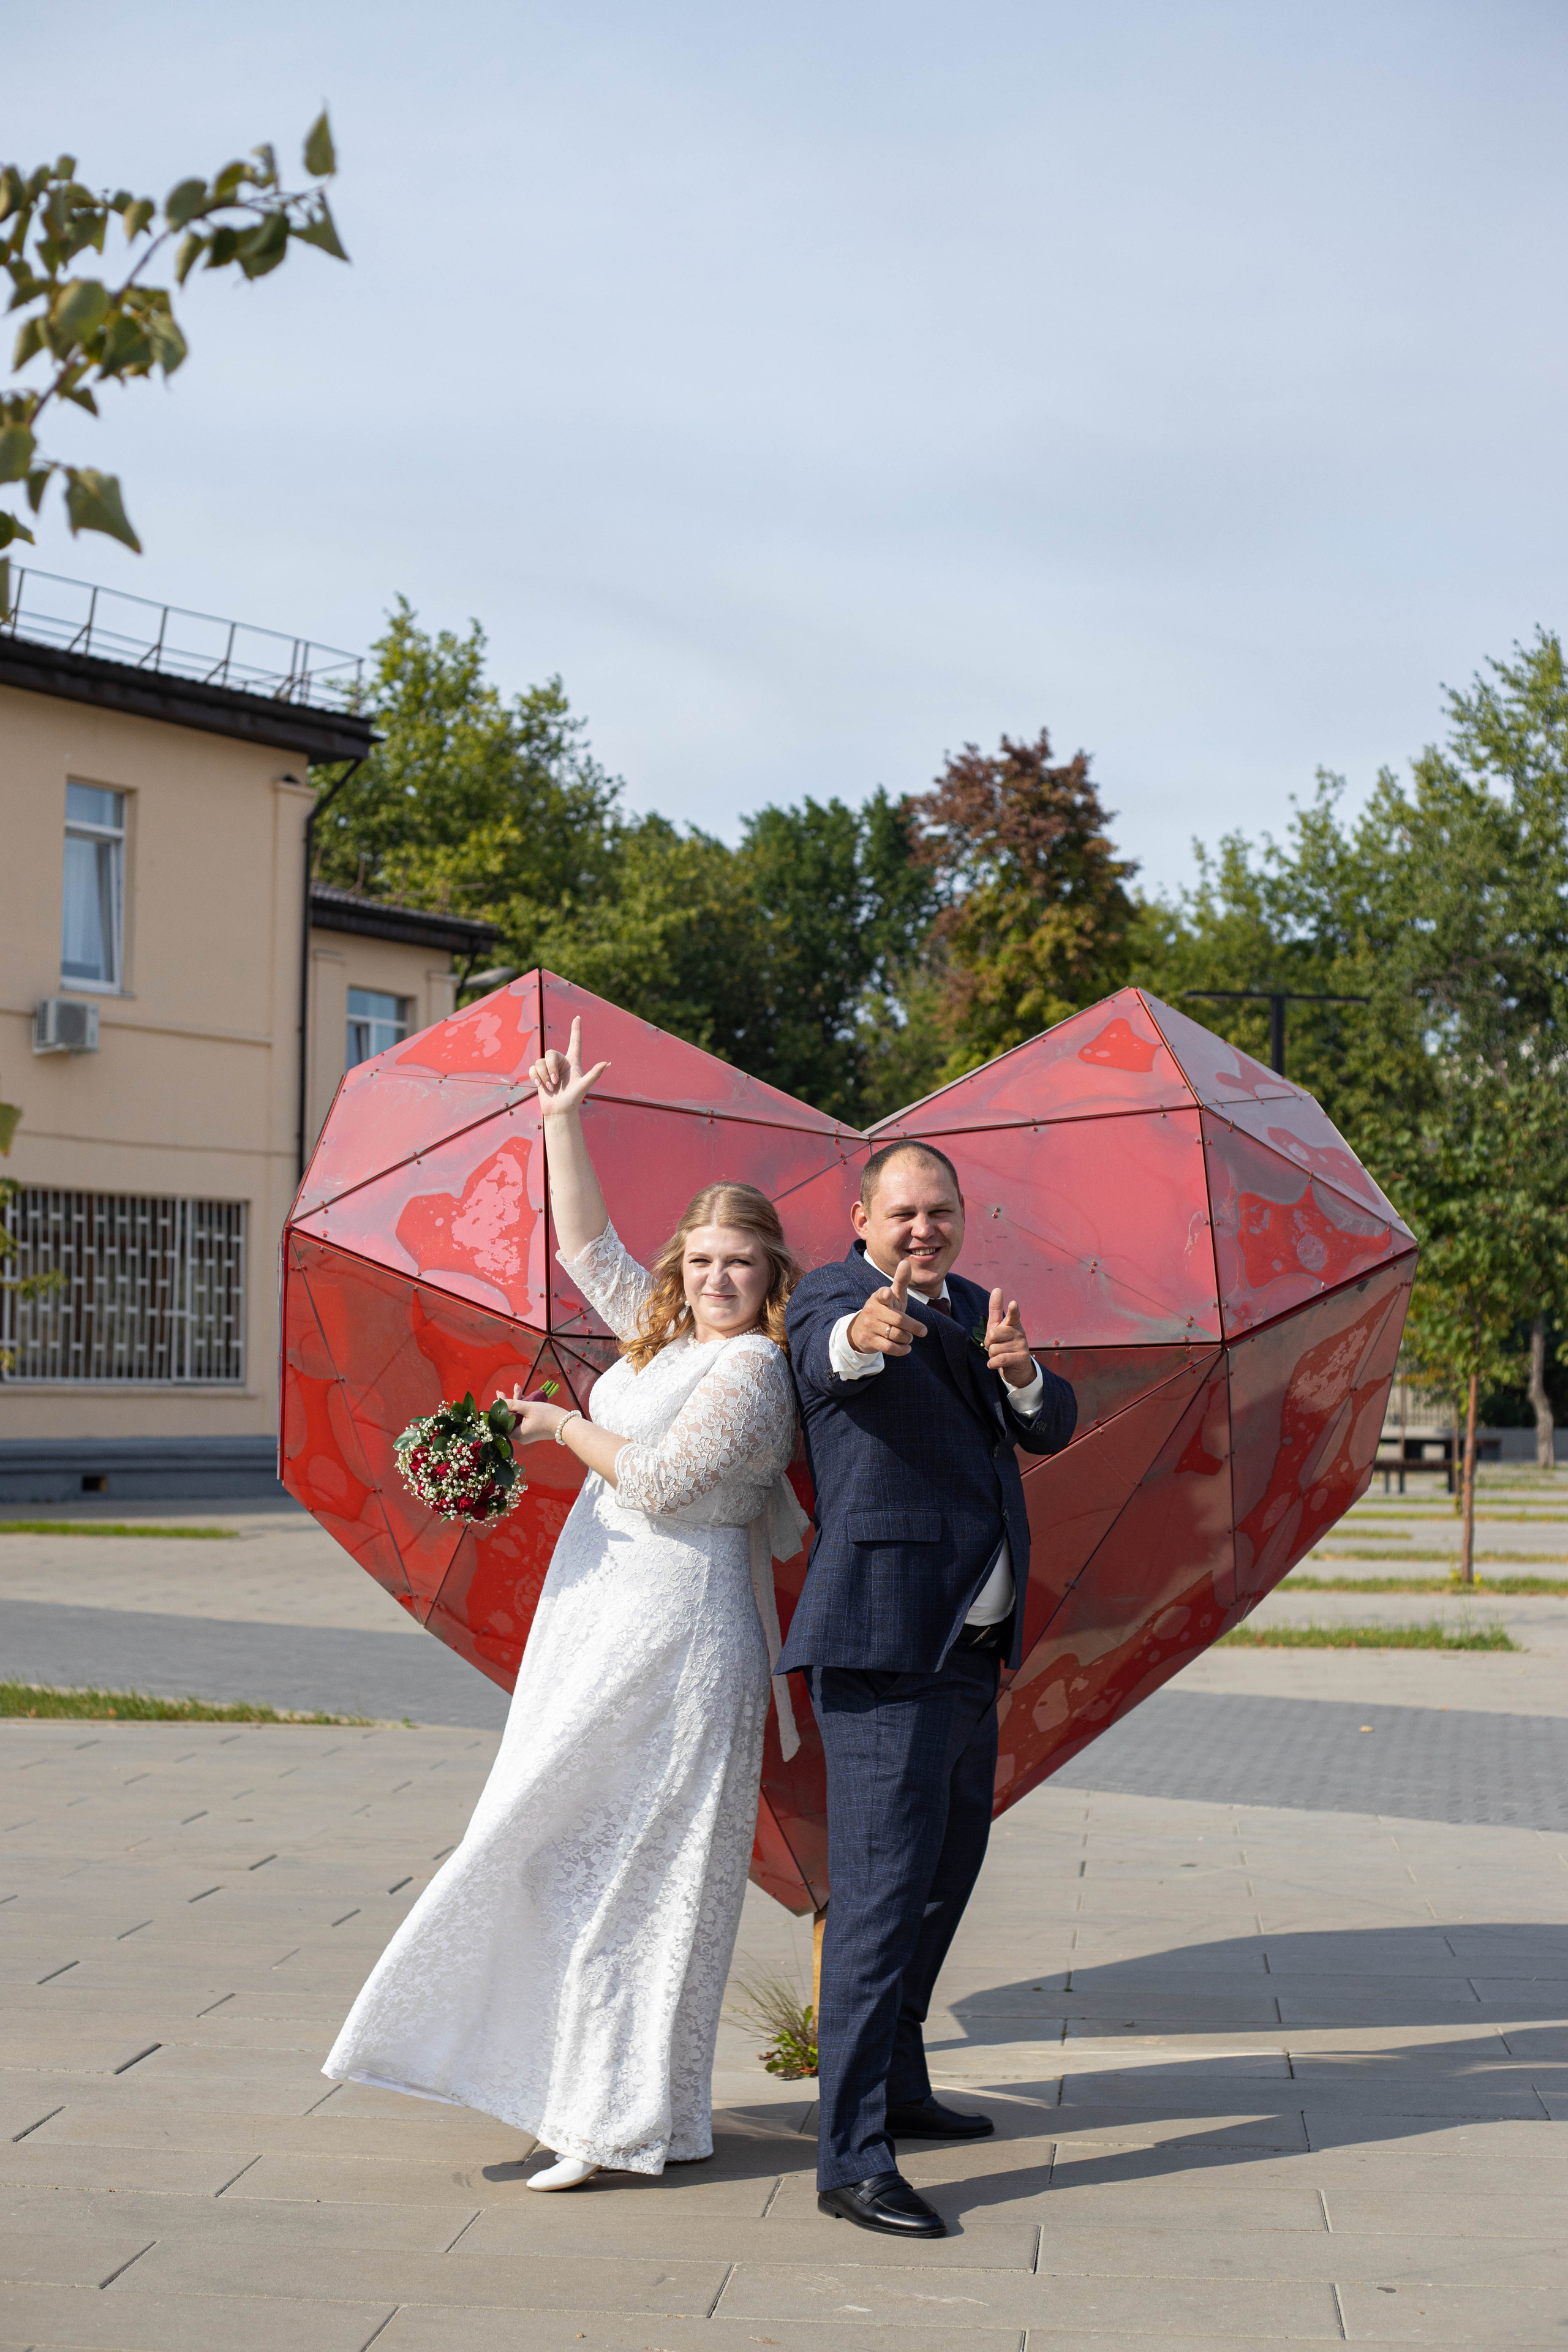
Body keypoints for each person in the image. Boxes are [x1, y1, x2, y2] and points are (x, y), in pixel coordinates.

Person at [323, 1019, 807, 2191]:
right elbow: (589, 1243)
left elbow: (660, 1481)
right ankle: (618, 2106)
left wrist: (556, 1426)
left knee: (643, 1872)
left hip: (683, 1638)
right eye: (700, 1261)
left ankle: (617, 2121)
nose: (715, 1280)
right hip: (603, 1625)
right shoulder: (659, 1339)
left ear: (773, 1276)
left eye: (738, 1263)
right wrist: (560, 1121)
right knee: (566, 1853)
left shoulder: (753, 1369)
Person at [780, 1139, 1076, 2238]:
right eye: (902, 1212)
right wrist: (868, 1333)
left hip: (969, 1649)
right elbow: (824, 1361)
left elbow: (1050, 1427)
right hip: (886, 1648)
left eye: (939, 1212)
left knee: (945, 1874)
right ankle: (851, 2158)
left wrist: (1019, 1373)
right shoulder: (836, 1296)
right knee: (875, 1900)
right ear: (862, 1217)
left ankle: (899, 2083)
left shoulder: (978, 1317)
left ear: (962, 1215)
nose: (923, 1230)